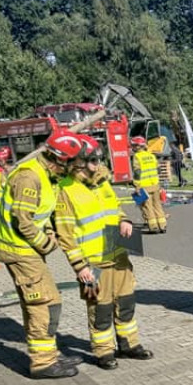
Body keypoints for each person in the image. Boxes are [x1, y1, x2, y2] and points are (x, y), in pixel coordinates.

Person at [54, 136, 154, 369]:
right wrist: (79, 266)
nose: (96, 165)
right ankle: (103, 352)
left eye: (98, 160)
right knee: (100, 310)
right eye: (91, 161)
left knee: (126, 303)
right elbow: (65, 234)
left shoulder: (103, 183)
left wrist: (125, 220)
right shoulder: (65, 190)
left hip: (119, 257)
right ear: (76, 163)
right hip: (94, 264)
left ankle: (129, 345)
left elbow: (116, 209)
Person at [0, 131, 84, 379]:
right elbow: (23, 221)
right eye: (73, 164)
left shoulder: (47, 175)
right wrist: (46, 244)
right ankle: (42, 363)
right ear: (60, 160)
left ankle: (50, 353)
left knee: (51, 301)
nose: (76, 169)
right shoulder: (29, 178)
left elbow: (39, 215)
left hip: (28, 250)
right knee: (40, 304)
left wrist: (48, 232)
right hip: (19, 250)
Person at [130, 136, 166, 233]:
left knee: (147, 206)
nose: (132, 147)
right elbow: (158, 170)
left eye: (133, 145)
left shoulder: (137, 157)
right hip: (155, 184)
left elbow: (137, 173)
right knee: (157, 205)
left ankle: (153, 226)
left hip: (144, 186)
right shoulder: (151, 156)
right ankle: (162, 225)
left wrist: (137, 186)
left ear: (138, 146)